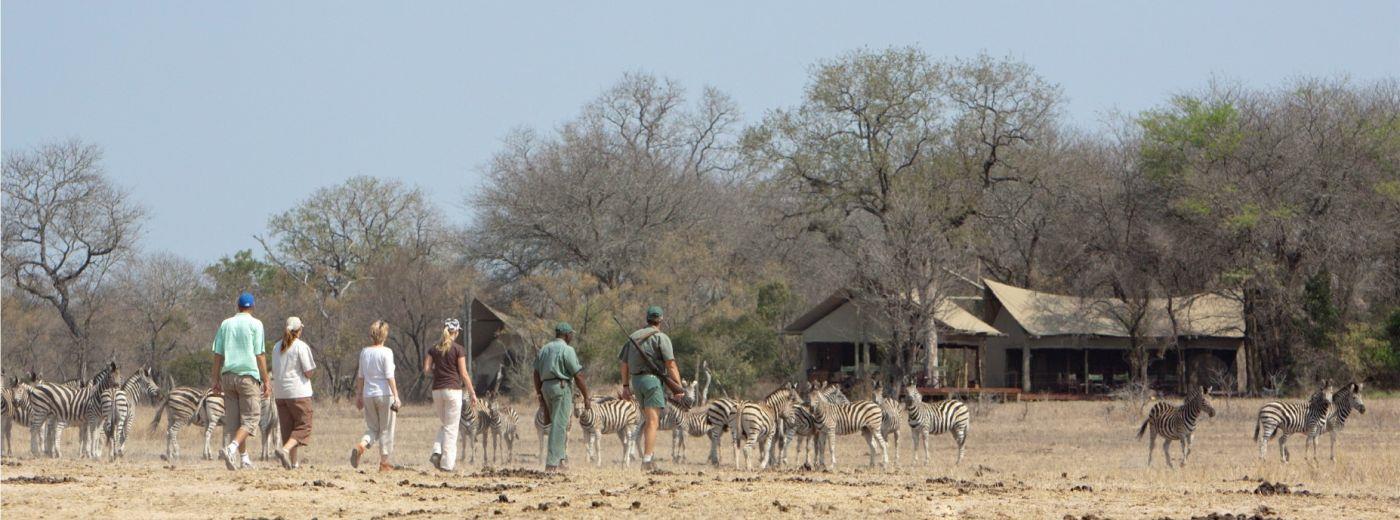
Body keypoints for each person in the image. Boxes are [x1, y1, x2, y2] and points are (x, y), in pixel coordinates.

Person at [618, 306, 685, 471]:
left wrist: (626, 386)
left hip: (636, 382)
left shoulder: (633, 336)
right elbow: (670, 364)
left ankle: (649, 456)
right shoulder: (661, 338)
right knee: (653, 421)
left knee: (648, 420)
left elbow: (624, 364)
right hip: (652, 381)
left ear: (646, 318)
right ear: (661, 320)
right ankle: (647, 460)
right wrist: (679, 387)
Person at [211, 291, 269, 471]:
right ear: (252, 307)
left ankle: (244, 459)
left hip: (228, 376)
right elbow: (259, 354)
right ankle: (231, 448)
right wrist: (266, 380)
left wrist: (215, 379)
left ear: (238, 306)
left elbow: (217, 354)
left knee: (235, 422)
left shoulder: (226, 324)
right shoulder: (256, 324)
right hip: (247, 376)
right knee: (251, 419)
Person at [533, 322, 592, 471]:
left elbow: (536, 373)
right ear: (566, 335)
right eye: (571, 334)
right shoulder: (567, 350)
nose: (572, 336)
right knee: (559, 425)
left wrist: (539, 392)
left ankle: (560, 459)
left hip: (545, 387)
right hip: (561, 387)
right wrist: (586, 396)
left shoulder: (544, 349)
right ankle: (552, 463)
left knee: (555, 424)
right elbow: (577, 375)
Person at [422, 318, 478, 471]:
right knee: (452, 429)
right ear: (456, 332)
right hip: (453, 390)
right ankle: (447, 466)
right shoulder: (458, 349)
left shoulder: (434, 348)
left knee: (447, 425)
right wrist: (472, 393)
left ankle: (436, 451)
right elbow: (464, 374)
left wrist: (438, 371)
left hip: (437, 391)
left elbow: (426, 369)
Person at [350, 320, 400, 472]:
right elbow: (389, 376)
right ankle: (384, 463)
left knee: (372, 428)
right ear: (384, 335)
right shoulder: (387, 352)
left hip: (368, 395)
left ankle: (361, 445)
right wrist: (396, 396)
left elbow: (360, 376)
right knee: (386, 429)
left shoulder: (365, 352)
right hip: (385, 395)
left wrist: (358, 395)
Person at [271, 316, 316, 469]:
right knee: (304, 426)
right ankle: (284, 450)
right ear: (299, 330)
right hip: (298, 393)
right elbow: (309, 372)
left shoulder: (276, 347)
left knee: (288, 428)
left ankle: (293, 463)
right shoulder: (300, 346)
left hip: (280, 393)